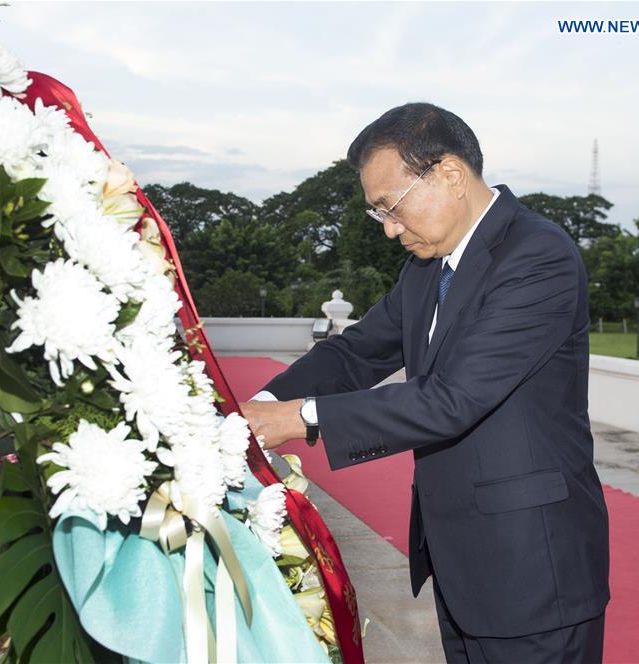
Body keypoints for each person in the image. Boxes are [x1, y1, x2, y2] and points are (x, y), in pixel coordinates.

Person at [241, 102, 609, 663]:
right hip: (461, 565)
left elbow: (453, 398)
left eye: (392, 207)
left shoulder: (538, 255)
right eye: (378, 214)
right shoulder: (425, 268)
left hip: (535, 572)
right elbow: (356, 351)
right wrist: (256, 406)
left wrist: (298, 419)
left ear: (449, 175)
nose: (390, 229)